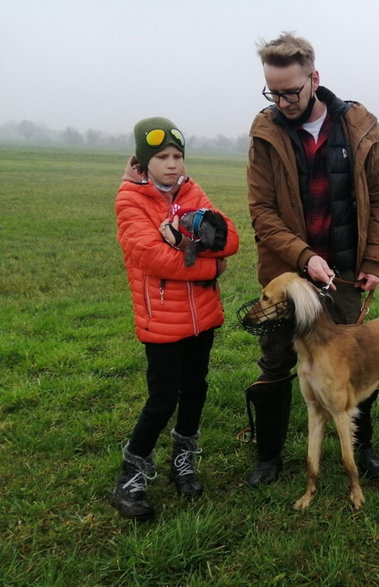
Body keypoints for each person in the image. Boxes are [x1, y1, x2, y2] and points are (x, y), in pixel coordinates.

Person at [245, 32, 379, 488]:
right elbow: (262, 214)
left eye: (292, 91)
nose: (283, 101)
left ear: (315, 78)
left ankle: (363, 448)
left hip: (346, 272)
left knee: (353, 355)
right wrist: (304, 257)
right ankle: (268, 455)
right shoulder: (265, 134)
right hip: (288, 274)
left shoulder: (358, 126)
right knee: (276, 361)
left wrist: (374, 260)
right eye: (274, 91)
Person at [111, 117, 239, 520]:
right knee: (162, 398)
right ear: (144, 160)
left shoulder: (192, 191)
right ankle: (131, 474)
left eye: (178, 156)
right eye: (162, 157)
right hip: (162, 321)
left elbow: (230, 238)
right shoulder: (130, 199)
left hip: (202, 316)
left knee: (195, 389)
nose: (172, 164)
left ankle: (183, 460)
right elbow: (153, 258)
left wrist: (195, 244)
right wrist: (211, 266)